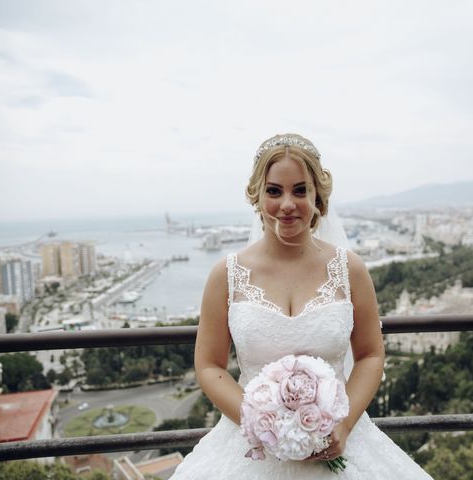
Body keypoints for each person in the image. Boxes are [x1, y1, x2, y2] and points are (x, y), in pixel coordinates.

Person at [169, 134, 433, 479]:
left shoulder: (349, 268)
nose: (287, 204)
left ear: (318, 197)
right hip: (248, 445)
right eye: (274, 191)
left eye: (300, 190)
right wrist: (259, 422)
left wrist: (343, 424)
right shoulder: (226, 275)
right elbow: (208, 365)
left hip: (338, 439)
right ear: (258, 196)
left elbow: (370, 355)